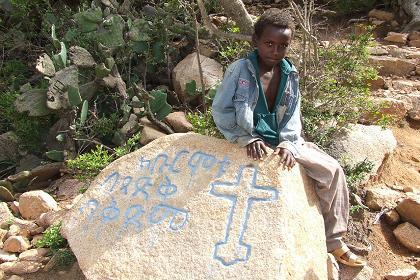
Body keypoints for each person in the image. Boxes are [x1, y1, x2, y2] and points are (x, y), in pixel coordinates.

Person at [211, 8, 366, 267]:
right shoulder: (239, 71)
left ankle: (334, 241)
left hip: (282, 139)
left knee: (332, 170)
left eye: (282, 45)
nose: (275, 51)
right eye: (269, 44)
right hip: (251, 138)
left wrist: (288, 143)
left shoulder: (290, 73)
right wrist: (244, 138)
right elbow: (221, 110)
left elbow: (293, 115)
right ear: (256, 42)